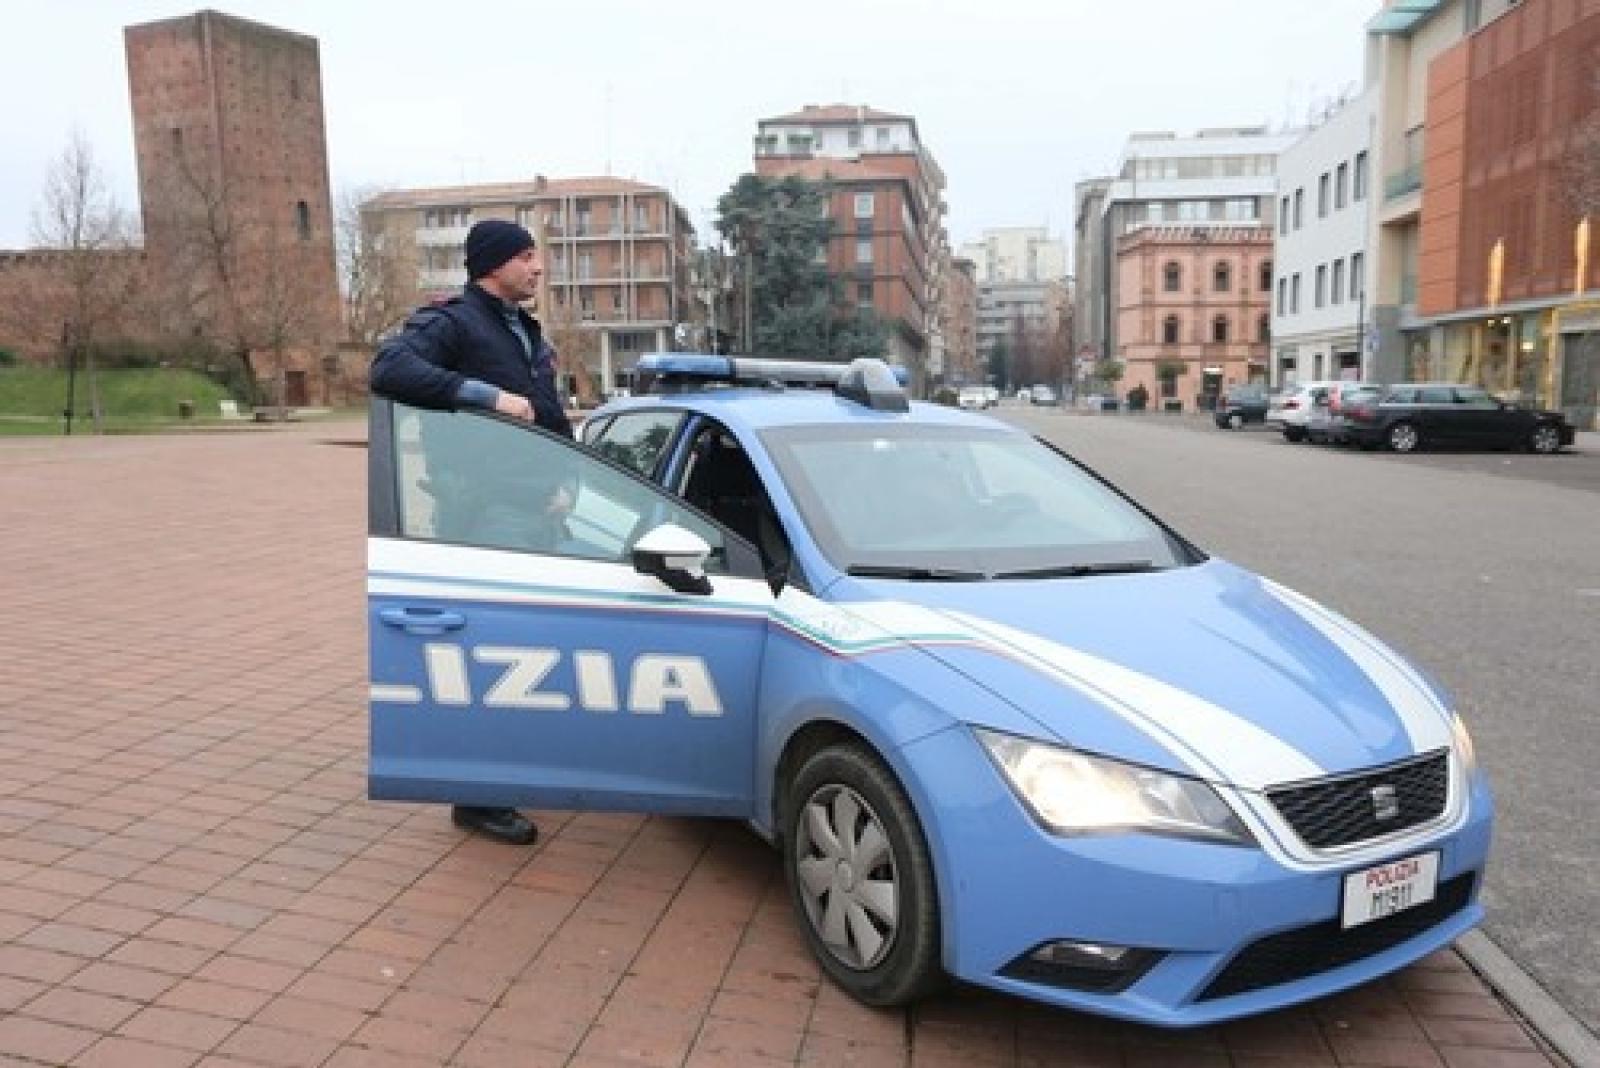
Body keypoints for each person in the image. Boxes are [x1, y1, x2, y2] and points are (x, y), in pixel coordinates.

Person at [370, 219, 571, 847]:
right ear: (493, 264)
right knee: (495, 653)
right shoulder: (453, 322)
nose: (538, 268)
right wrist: (484, 396)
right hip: (486, 516)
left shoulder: (523, 328)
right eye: (527, 256)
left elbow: (545, 409)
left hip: (537, 510)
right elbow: (389, 369)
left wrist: (568, 476)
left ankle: (518, 769)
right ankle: (479, 798)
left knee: (536, 650)